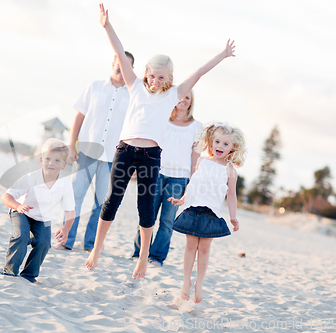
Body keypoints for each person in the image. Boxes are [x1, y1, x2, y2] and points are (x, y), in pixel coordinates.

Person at [85, 4, 236, 280]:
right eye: (152, 75)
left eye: (161, 77)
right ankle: (97, 247)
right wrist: (107, 26)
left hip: (151, 155)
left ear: (170, 79)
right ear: (145, 73)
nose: (155, 80)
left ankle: (143, 257)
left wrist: (223, 55)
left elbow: (200, 72)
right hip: (125, 150)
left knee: (146, 209)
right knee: (112, 200)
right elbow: (120, 53)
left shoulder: (173, 94)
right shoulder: (136, 86)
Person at [53, 51, 135, 252]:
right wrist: (72, 144)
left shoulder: (133, 95)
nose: (121, 66)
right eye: (119, 61)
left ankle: (90, 244)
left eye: (126, 64)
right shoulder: (95, 86)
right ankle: (66, 240)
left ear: (130, 68)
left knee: (101, 202)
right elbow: (79, 116)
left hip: (113, 157)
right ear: (113, 62)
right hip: (87, 151)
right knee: (75, 196)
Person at [168, 122, 246, 303]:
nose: (220, 146)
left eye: (226, 144)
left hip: (211, 213)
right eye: (217, 142)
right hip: (193, 209)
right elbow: (193, 184)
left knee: (204, 249)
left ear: (233, 148)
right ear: (211, 142)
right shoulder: (202, 161)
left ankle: (199, 283)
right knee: (190, 246)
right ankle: (185, 281)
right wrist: (182, 200)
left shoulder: (230, 171)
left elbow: (231, 195)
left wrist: (233, 217)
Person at [132, 90, 201, 266]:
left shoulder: (196, 126)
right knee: (148, 215)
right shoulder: (162, 119)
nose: (183, 100)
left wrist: (192, 179)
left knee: (167, 221)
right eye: (181, 97)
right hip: (156, 172)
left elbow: (195, 155)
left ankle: (156, 256)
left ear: (191, 102)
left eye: (187, 97)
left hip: (179, 178)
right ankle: (139, 252)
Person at [1, 138, 75, 284]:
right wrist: (17, 206)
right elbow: (6, 197)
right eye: (47, 159)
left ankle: (29, 275)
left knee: (44, 243)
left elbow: (70, 211)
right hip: (22, 211)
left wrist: (66, 228)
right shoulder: (30, 178)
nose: (51, 163)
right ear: (41, 160)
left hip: (42, 218)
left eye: (57, 161)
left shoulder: (65, 185)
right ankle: (10, 271)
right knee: (22, 236)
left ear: (64, 165)